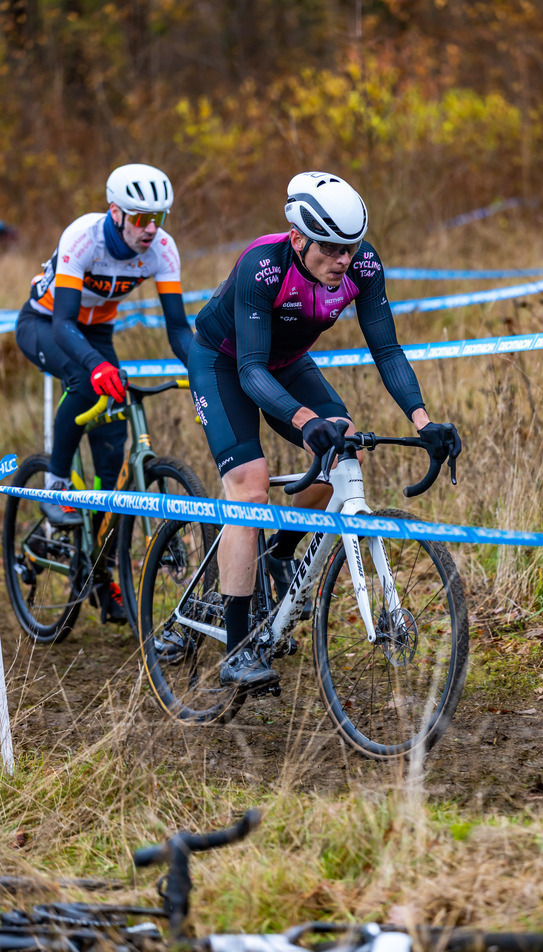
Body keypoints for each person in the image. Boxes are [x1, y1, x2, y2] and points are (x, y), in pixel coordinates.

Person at [187, 170, 461, 690]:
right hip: (225, 363)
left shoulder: (363, 265)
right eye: (332, 249)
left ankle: (280, 553)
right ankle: (239, 649)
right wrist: (306, 421)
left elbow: (387, 349)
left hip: (286, 363)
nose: (344, 260)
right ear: (297, 238)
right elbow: (249, 370)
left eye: (351, 248)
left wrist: (425, 422)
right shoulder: (261, 265)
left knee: (345, 444)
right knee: (250, 484)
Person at [15, 163, 193, 623]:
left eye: (159, 218)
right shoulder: (83, 238)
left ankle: (96, 574)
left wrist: (203, 370)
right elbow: (63, 322)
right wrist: (96, 367)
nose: (150, 229)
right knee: (82, 380)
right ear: (115, 213)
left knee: (112, 464)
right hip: (47, 324)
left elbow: (177, 329)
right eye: (140, 218)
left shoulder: (162, 250)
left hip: (98, 332)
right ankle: (53, 487)